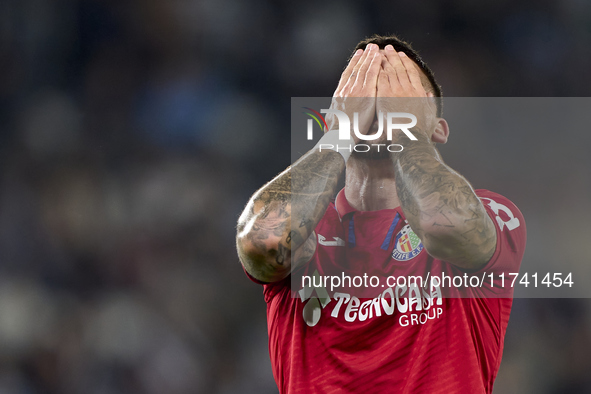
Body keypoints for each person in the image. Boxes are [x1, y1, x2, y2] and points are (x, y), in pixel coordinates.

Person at [236, 34, 526, 394]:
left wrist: (405, 132)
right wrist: (338, 136)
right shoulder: (311, 228)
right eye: (364, 89)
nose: (381, 104)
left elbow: (445, 224)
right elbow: (263, 241)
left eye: (401, 93)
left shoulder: (490, 212)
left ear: (437, 129)